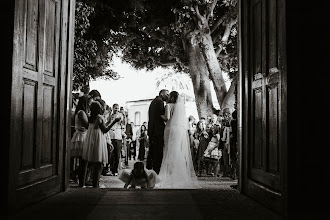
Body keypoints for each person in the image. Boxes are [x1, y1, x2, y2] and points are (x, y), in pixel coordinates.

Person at [156, 91, 201, 189]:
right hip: (179, 130)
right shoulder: (181, 107)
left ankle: (168, 175)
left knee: (168, 150)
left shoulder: (168, 105)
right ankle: (180, 176)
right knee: (177, 151)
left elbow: (167, 117)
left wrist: (159, 115)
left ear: (171, 97)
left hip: (170, 128)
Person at [80, 101, 120, 187]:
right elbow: (105, 130)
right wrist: (114, 122)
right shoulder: (99, 117)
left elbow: (100, 126)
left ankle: (90, 182)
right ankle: (96, 184)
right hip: (98, 139)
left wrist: (109, 121)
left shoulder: (90, 118)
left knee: (92, 161)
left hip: (91, 139)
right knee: (99, 163)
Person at [146, 89, 169, 174]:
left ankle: (148, 170)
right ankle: (156, 171)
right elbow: (161, 115)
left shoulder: (153, 102)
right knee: (158, 152)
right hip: (158, 131)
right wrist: (169, 120)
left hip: (152, 130)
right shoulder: (160, 102)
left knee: (152, 151)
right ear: (162, 94)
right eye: (167, 94)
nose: (168, 96)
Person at [70, 95, 91, 183]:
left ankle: (78, 176)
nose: (90, 105)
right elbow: (87, 124)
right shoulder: (82, 112)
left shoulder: (80, 112)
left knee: (84, 160)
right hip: (81, 136)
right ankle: (80, 178)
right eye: (89, 103)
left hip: (81, 135)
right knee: (84, 160)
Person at [108, 103, 125, 176]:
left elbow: (123, 123)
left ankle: (115, 170)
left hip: (118, 136)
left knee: (117, 154)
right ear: (113, 108)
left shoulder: (120, 115)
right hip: (111, 136)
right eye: (115, 108)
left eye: (117, 108)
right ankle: (111, 169)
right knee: (111, 154)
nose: (117, 109)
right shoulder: (110, 116)